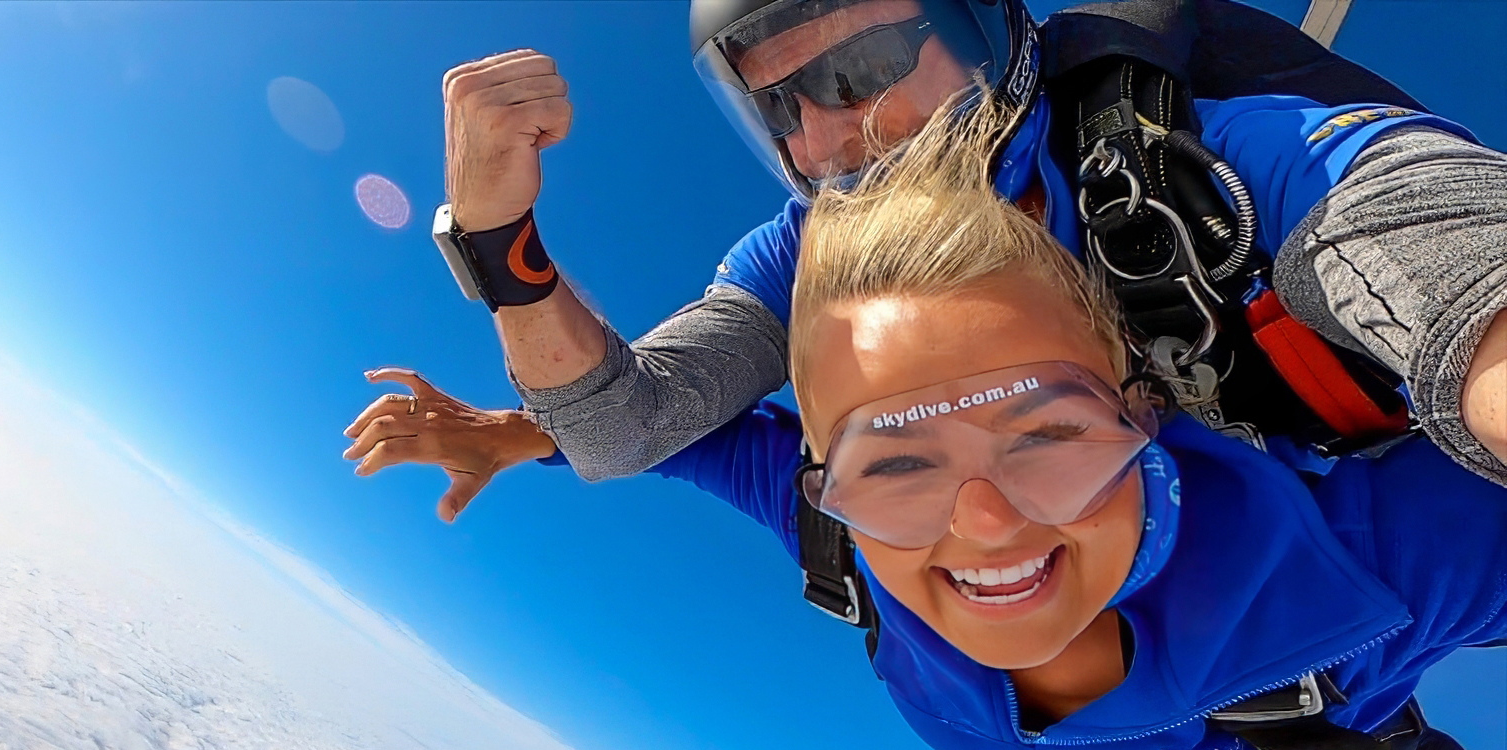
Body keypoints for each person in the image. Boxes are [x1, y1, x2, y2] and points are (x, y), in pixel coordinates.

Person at [350, 96, 1506, 750]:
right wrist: (509, 431)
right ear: (824, 477)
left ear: (1145, 405)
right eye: (896, 462)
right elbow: (642, 438)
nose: (987, 522)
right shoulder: (833, 522)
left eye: (1043, 431)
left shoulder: (1382, 552)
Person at [412, 0, 1505, 526]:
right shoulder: (809, 252)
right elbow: (619, 427)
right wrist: (501, 246)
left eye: (865, 66)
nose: (829, 140)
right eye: (778, 105)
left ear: (987, 28)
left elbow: (1426, 233)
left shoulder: (1198, 162)